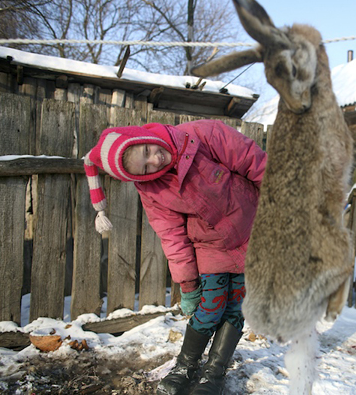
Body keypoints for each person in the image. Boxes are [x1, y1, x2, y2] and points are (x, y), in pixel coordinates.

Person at [83, 120, 267, 394]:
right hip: (210, 244)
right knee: (210, 307)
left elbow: (254, 162)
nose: (155, 160)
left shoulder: (203, 135)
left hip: (254, 229)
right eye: (144, 168)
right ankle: (185, 366)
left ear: (142, 135)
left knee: (236, 306)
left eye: (147, 149)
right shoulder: (152, 190)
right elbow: (172, 237)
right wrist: (189, 285)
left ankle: (213, 373)